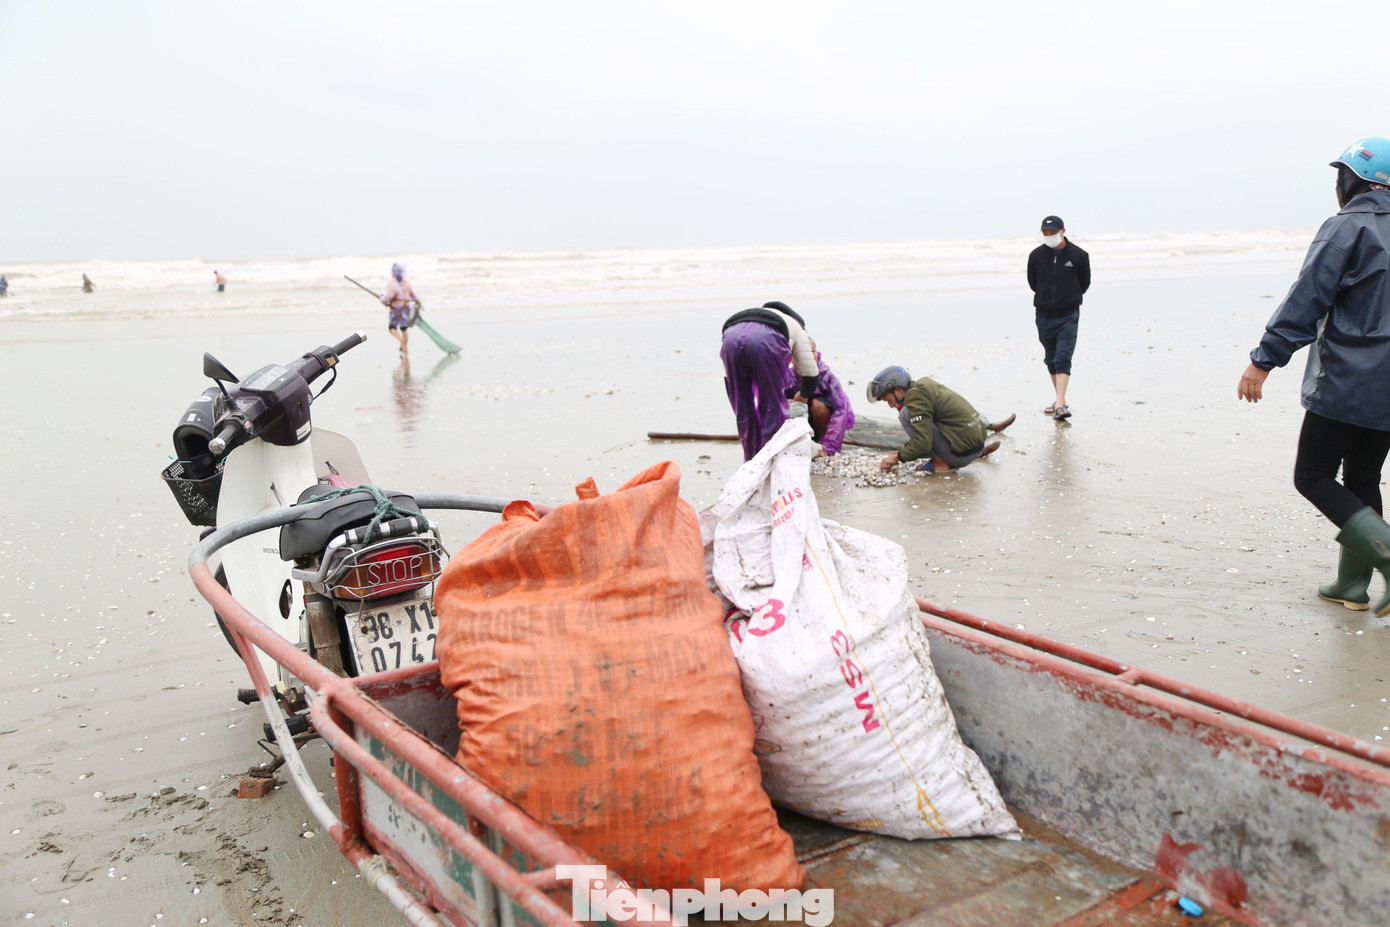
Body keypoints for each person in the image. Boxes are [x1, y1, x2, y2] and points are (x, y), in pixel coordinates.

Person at [1238, 137, 1390, 616]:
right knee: (1364, 477)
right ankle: (1351, 586)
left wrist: (1263, 360)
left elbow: (1309, 297)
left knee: (1313, 475)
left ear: (1356, 180)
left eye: (1341, 174)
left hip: (1348, 380)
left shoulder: (1348, 228)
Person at [866, 366, 1014, 473]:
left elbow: (923, 444)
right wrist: (903, 452)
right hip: (976, 446)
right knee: (915, 421)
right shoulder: (924, 386)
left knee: (905, 415)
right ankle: (944, 459)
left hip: (963, 455)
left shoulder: (914, 400)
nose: (891, 405)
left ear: (898, 390)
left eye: (888, 400)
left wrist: (898, 457)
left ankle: (941, 463)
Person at [720, 300, 819, 461]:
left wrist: (738, 399)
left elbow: (729, 381)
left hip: (731, 336)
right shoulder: (798, 328)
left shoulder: (752, 318)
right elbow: (811, 372)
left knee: (744, 411)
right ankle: (774, 459)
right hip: (766, 340)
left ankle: (752, 461)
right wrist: (804, 393)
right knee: (773, 406)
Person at [1027, 216, 1090, 421]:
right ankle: (1059, 400)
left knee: (1063, 356)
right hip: (1044, 314)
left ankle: (1060, 403)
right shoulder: (1036, 256)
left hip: (1068, 314)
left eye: (1052, 233)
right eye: (1045, 234)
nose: (1049, 237)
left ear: (1062, 231)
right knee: (1051, 358)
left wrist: (1067, 298)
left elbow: (1084, 283)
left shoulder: (1079, 255)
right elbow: (1033, 283)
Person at [790, 339, 855, 455]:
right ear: (792, 358)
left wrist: (830, 446)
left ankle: (821, 445)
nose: (809, 356)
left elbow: (840, 412)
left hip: (821, 420)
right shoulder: (787, 378)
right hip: (800, 421)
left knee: (818, 405)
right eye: (802, 352)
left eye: (812, 351)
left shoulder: (827, 377)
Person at [381, 263, 420, 355]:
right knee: (404, 328)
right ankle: (405, 349)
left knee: (392, 327)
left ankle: (402, 341)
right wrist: (418, 302)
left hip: (396, 307)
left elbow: (389, 296)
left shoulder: (392, 283)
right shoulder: (406, 282)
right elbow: (413, 294)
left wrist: (382, 299)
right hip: (406, 307)